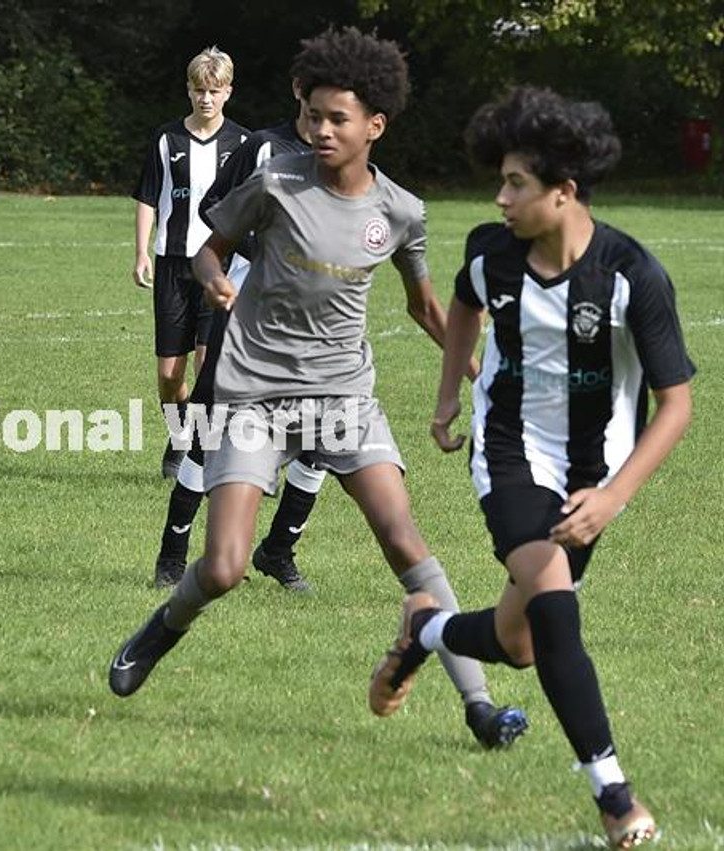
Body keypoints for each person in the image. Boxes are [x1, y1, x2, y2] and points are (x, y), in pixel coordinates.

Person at [110, 27, 527, 750]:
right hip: (253, 394)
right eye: (314, 116)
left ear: (376, 125)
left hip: (342, 398)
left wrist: (477, 373)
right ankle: (160, 627)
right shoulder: (275, 183)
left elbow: (427, 307)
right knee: (225, 566)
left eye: (338, 119)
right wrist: (216, 286)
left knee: (405, 541)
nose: (322, 129)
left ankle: (480, 703)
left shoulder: (401, 211)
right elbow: (210, 253)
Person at [370, 86, 693, 847]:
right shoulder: (492, 253)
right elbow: (461, 305)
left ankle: (429, 630)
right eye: (502, 180)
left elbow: (674, 405)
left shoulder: (630, 276)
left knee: (519, 642)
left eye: (516, 183)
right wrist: (451, 398)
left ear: (564, 191)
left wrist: (614, 495)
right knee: (554, 605)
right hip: (510, 450)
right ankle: (612, 790)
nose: (500, 196)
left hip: (594, 471)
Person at [154, 65, 327, 593]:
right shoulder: (262, 147)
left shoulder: (347, 153)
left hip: (313, 319)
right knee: (208, 427)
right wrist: (262, 252)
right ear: (299, 90)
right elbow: (212, 207)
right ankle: (172, 554)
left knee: (322, 433)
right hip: (247, 309)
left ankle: (279, 550)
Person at [132, 46, 249, 480]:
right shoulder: (167, 139)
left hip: (220, 266)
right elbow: (148, 197)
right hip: (172, 265)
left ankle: (205, 457)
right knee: (169, 375)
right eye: (199, 90)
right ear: (189, 90)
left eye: (214, 91)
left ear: (228, 93)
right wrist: (142, 251)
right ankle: (181, 435)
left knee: (207, 367)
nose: (206, 98)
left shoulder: (242, 143)